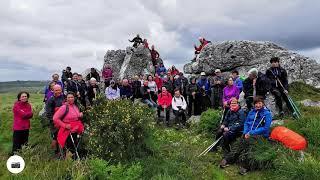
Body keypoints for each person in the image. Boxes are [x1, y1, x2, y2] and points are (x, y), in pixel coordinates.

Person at [220, 97, 272, 175]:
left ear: (263, 104)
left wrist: (251, 133)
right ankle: (228, 159)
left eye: (259, 103)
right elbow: (246, 123)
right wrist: (245, 132)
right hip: (248, 133)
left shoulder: (267, 114)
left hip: (260, 135)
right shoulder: (251, 112)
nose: (258, 105)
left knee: (250, 148)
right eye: (256, 104)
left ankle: (245, 166)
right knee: (239, 145)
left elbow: (266, 128)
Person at [53, 92, 84, 159]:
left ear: (74, 98)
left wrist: (79, 115)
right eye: (68, 97)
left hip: (76, 129)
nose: (70, 99)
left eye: (72, 97)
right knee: (71, 146)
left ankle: (73, 159)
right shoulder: (64, 107)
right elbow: (55, 118)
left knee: (75, 144)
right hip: (68, 130)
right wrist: (64, 125)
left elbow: (74, 116)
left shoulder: (75, 106)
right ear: (66, 99)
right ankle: (70, 160)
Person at [46, 85, 65, 156]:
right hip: (55, 123)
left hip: (64, 121)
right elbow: (48, 113)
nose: (58, 92)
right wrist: (54, 121)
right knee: (56, 138)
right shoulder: (51, 100)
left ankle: (64, 151)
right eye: (56, 90)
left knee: (63, 137)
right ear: (53, 91)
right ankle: (57, 153)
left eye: (59, 90)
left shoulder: (64, 98)